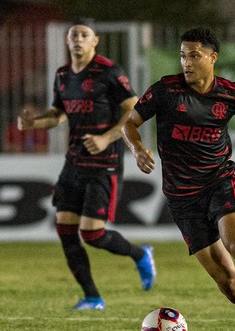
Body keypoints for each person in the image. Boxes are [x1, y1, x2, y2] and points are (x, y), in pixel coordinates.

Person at [121, 27, 235, 331]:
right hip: (181, 197)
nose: (187, 63)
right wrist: (136, 148)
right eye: (183, 56)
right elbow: (130, 123)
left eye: (195, 56)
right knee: (226, 279)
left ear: (212, 58)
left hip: (219, 182)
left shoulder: (231, 93)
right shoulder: (165, 91)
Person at [17, 18, 156, 311]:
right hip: (73, 162)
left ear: (95, 41)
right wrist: (34, 123)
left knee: (92, 234)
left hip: (103, 163)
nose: (78, 39)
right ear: (68, 42)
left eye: (84, 35)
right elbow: (58, 114)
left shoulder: (109, 71)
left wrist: (106, 138)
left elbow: (133, 111)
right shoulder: (63, 74)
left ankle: (140, 255)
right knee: (65, 230)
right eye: (73, 35)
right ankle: (93, 297)